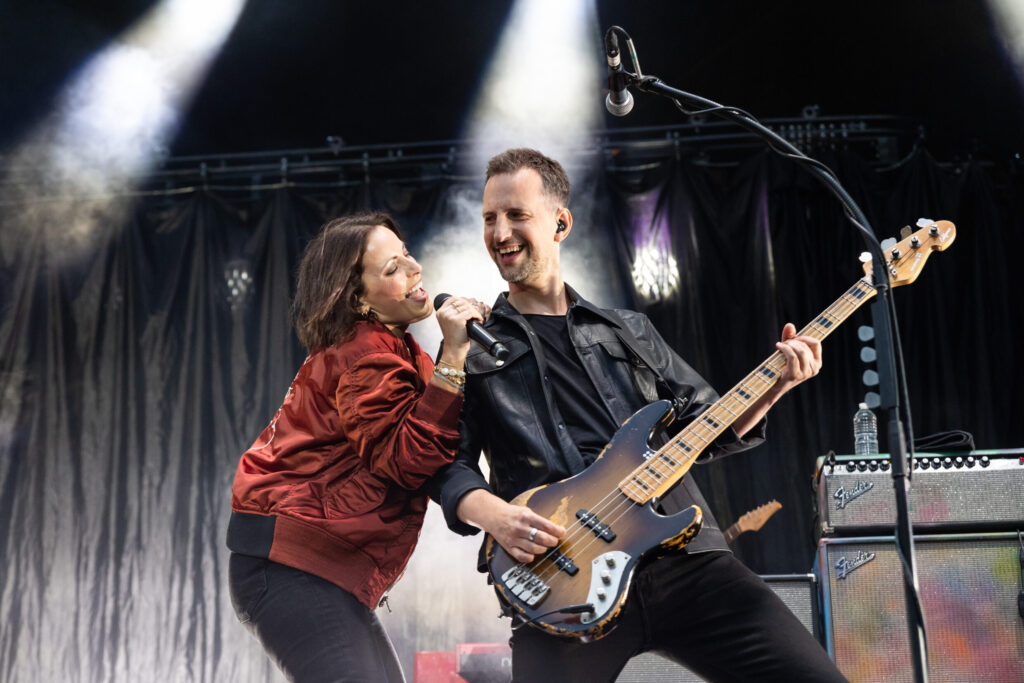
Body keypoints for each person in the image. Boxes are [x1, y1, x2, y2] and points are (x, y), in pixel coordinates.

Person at [431, 149, 848, 682]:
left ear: (560, 223)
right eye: (489, 218)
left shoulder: (628, 330)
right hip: (562, 572)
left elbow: (708, 425)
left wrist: (777, 387)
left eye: (516, 215)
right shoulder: (470, 347)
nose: (499, 231)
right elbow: (443, 461)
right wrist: (493, 516)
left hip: (686, 560)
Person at [226, 212, 485, 682]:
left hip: (307, 570)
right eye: (391, 269)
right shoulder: (366, 357)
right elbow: (409, 460)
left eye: (406, 253)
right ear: (358, 299)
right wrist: (454, 356)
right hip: (292, 569)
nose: (413, 268)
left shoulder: (396, 350)